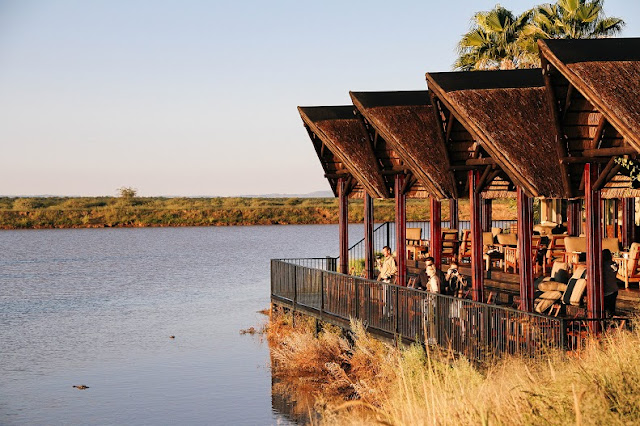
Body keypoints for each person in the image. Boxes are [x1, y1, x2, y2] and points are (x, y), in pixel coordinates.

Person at [602, 249, 619, 317]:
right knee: (612, 310)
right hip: (614, 289)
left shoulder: (602, 266)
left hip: (606, 291)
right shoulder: (614, 265)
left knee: (604, 310)